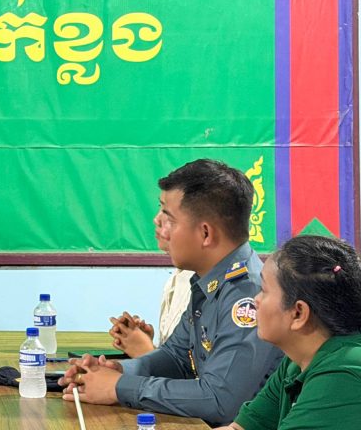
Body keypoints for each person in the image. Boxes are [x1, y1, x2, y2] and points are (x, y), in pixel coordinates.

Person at [61, 159, 282, 426]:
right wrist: (115, 371)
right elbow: (177, 357)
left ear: (205, 233)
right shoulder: (209, 281)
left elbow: (220, 402)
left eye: (168, 216)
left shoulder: (246, 297)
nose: (157, 222)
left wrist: (119, 387)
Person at [216, 235, 361, 430]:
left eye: (264, 290)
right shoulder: (296, 362)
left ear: (298, 313)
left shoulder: (343, 372)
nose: (256, 300)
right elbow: (240, 428)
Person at [109, 208, 195, 357]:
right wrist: (144, 344)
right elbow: (181, 361)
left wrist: (145, 352)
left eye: (167, 211)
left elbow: (209, 369)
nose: (156, 219)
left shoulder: (215, 286)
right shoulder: (177, 278)